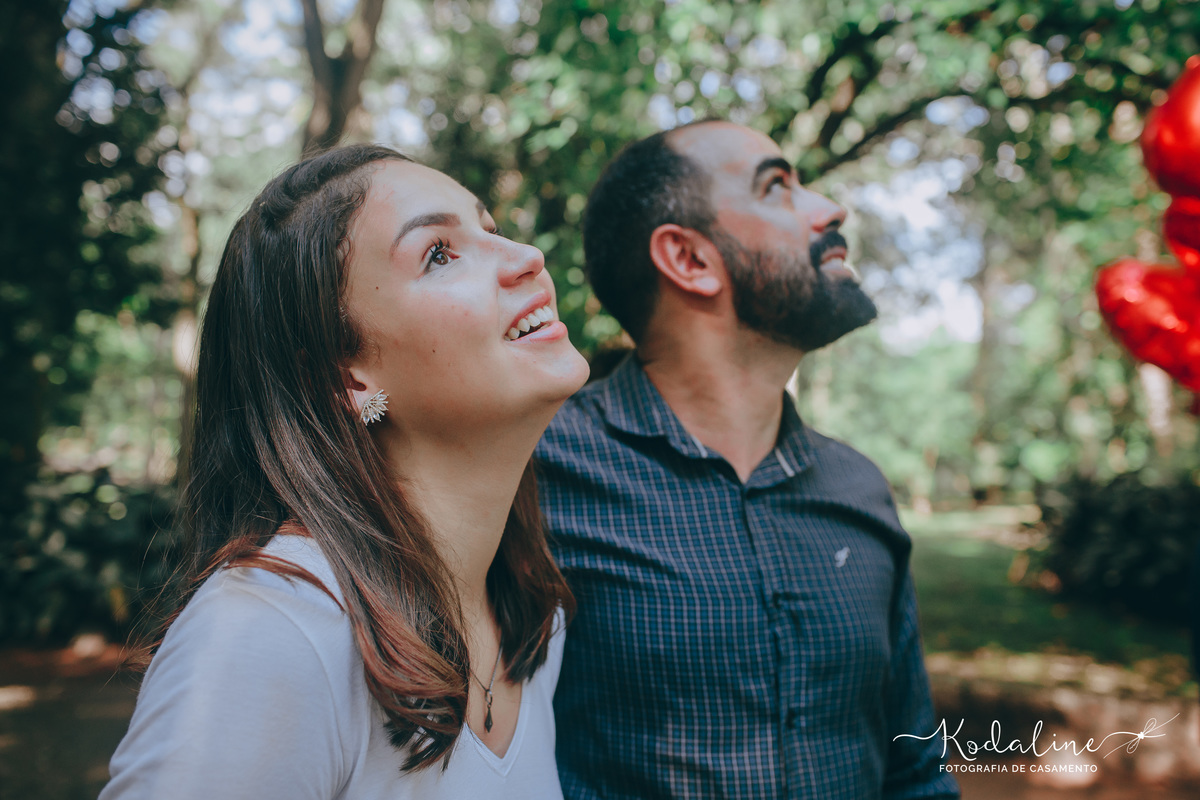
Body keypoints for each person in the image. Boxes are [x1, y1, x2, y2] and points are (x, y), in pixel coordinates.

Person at [102, 144, 590, 798]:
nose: (527, 257)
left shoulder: (532, 621)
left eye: (490, 229)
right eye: (440, 254)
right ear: (345, 377)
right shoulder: (270, 632)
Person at [535, 121, 960, 799]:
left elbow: (913, 768)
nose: (831, 208)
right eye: (777, 186)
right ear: (690, 260)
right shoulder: (536, 473)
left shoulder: (860, 489)